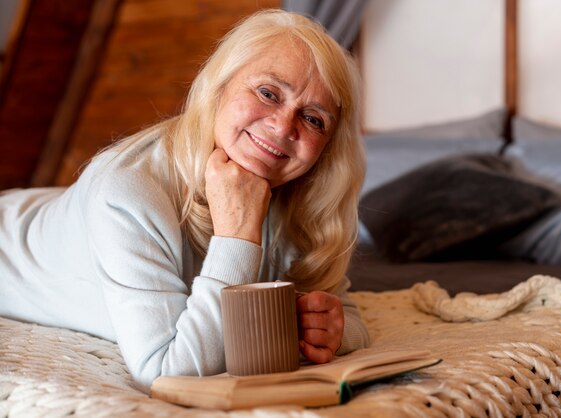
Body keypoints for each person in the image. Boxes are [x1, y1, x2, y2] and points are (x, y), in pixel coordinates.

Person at [0, 9, 369, 391]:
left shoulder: (301, 201)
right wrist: (238, 234)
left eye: (313, 119)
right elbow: (165, 373)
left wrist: (336, 330)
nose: (282, 125)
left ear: (326, 148)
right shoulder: (127, 192)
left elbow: (349, 313)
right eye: (268, 93)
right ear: (220, 86)